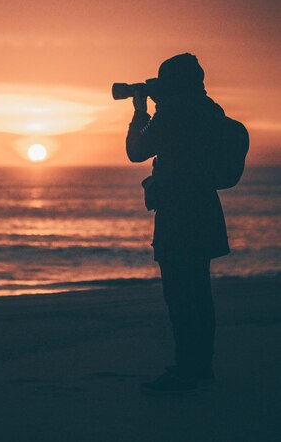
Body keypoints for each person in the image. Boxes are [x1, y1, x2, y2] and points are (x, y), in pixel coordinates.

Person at [126, 53, 230, 394]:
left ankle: (185, 372)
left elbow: (137, 150)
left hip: (178, 212)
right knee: (199, 291)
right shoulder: (209, 108)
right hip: (203, 208)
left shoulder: (172, 113)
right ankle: (201, 365)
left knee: (180, 295)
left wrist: (141, 111)